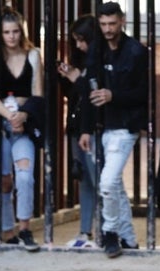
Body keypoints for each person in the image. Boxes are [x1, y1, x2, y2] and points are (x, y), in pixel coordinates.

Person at [80, 2, 147, 258]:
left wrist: (113, 95)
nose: (107, 29)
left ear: (122, 21)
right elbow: (89, 91)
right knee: (115, 185)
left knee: (107, 183)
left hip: (125, 126)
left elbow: (143, 94)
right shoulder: (97, 50)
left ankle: (109, 232)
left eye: (112, 23)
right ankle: (128, 238)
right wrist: (86, 129)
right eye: (103, 24)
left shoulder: (136, 52)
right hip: (101, 127)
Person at [0, 7, 42, 252]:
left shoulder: (33, 55)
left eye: (16, 31)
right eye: (6, 32)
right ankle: (7, 230)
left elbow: (38, 93)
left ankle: (24, 228)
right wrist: (10, 115)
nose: (12, 36)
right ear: (0, 33)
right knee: (4, 179)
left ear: (22, 31)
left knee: (25, 176)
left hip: (25, 122)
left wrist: (24, 115)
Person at [56, 14, 98, 248]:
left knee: (99, 179)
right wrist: (65, 78)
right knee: (83, 178)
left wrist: (76, 78)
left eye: (83, 40)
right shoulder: (79, 60)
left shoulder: (99, 60)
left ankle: (104, 229)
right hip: (75, 125)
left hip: (91, 128)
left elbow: (93, 97)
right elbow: (73, 96)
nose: (80, 45)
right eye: (76, 40)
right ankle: (85, 231)